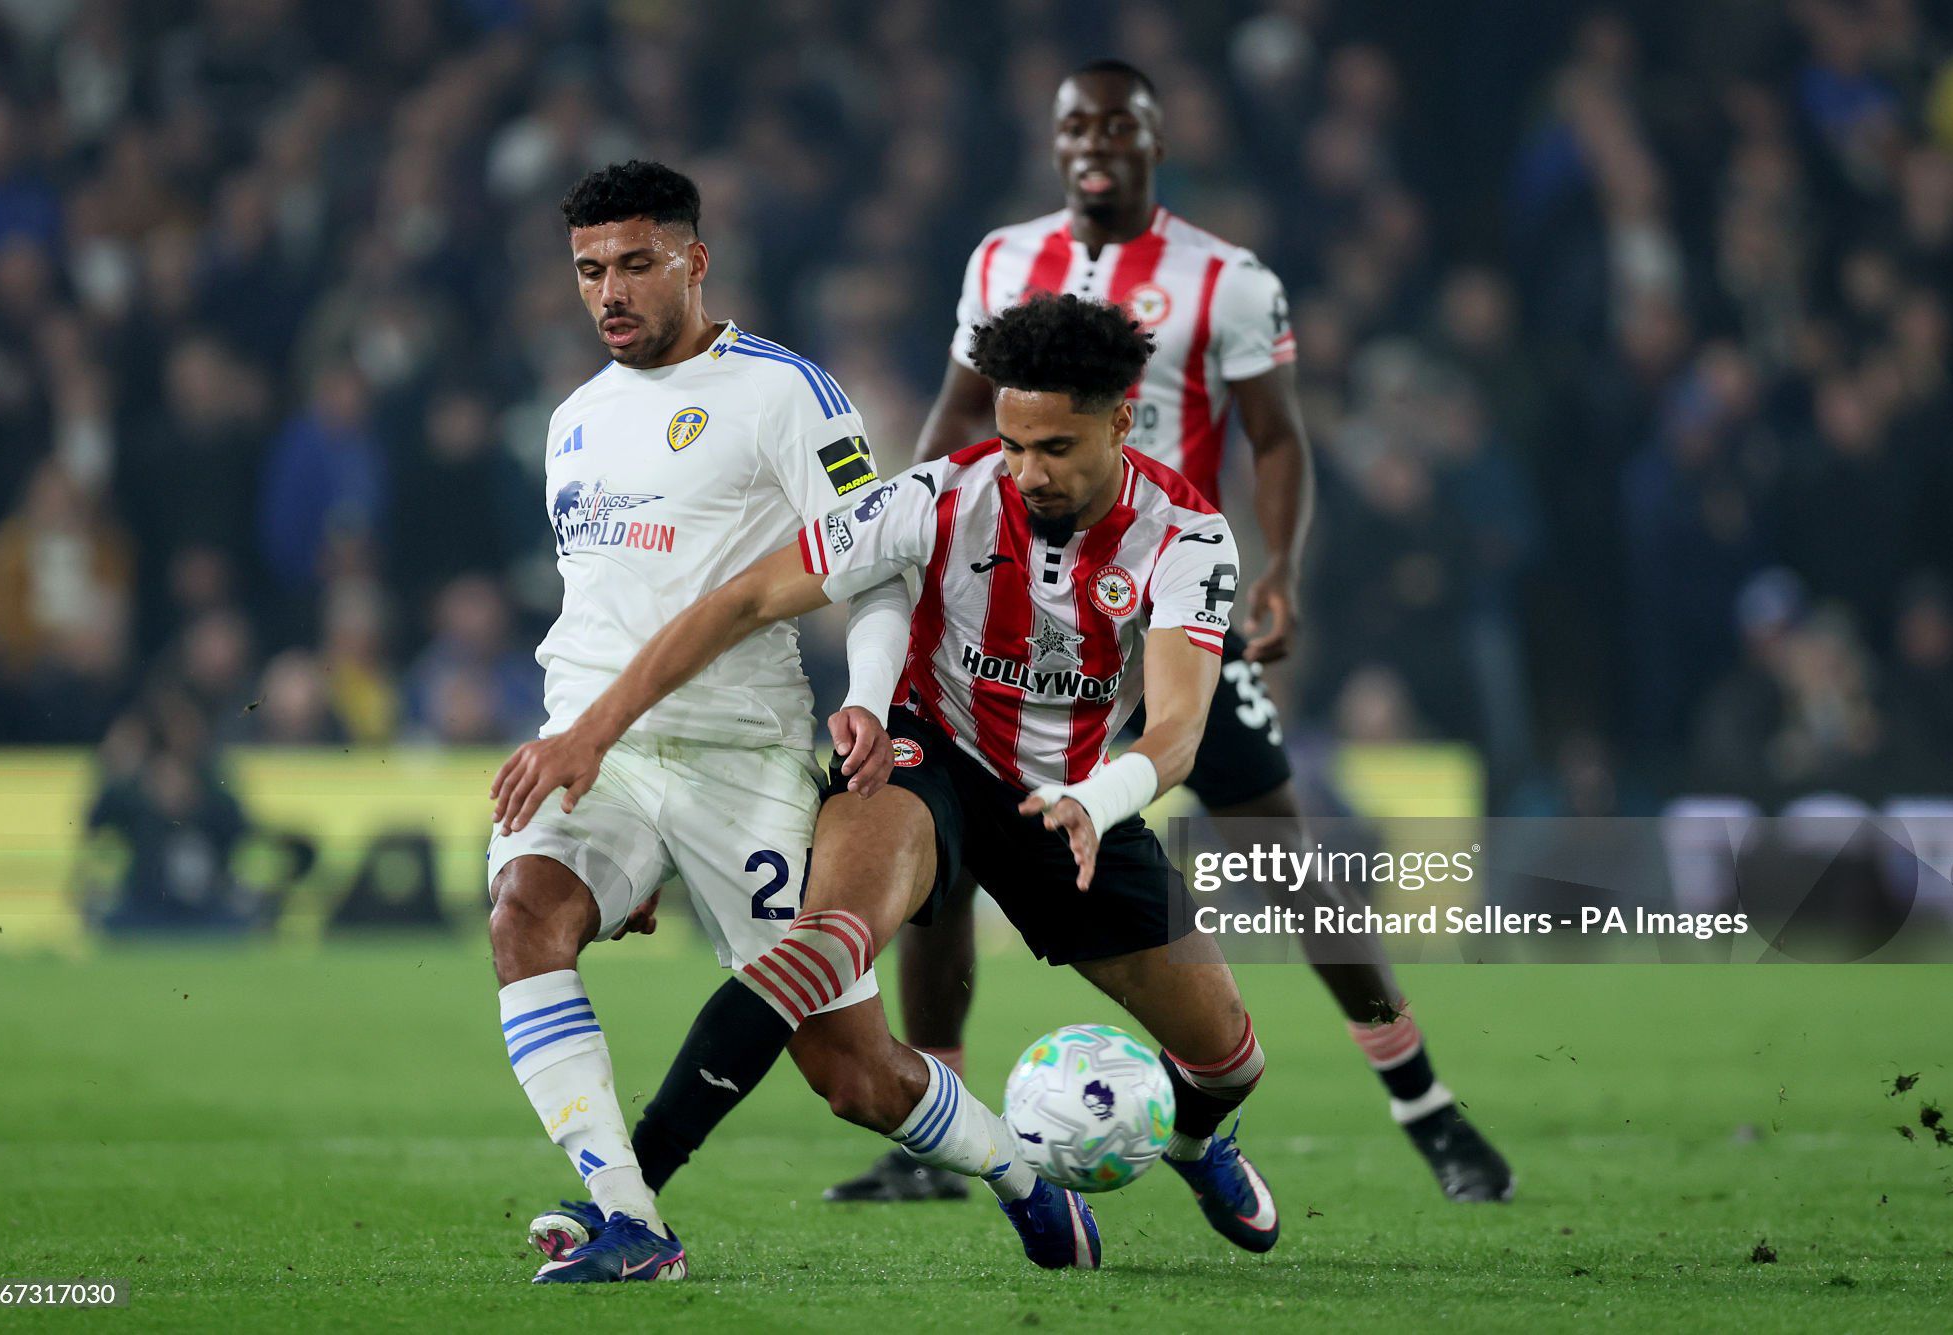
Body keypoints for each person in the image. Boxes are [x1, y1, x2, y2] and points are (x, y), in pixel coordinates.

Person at [833, 57, 1512, 1204]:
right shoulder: (1000, 259)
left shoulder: (1227, 280)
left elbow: (1277, 438)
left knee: (1283, 857)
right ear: (1053, 142)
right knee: (939, 865)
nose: (1092, 142)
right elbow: (958, 418)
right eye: (1072, 126)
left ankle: (1421, 1101)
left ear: (1156, 139)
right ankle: (935, 1138)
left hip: (1168, 612)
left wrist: (1282, 568)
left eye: (1116, 124)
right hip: (1018, 614)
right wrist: (915, 543)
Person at [494, 295, 1282, 1272]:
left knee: (1227, 1058)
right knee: (819, 948)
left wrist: (1099, 800)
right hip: (924, 760)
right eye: (1012, 442)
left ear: (1120, 421)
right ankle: (630, 1200)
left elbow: (1175, 729)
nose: (1026, 471)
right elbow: (743, 599)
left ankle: (1197, 1145)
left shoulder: (1185, 537)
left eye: (1054, 448)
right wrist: (596, 733)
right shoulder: (938, 495)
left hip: (1074, 797)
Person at [482, 160, 911, 1285]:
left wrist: (866, 692)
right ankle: (631, 1222)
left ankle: (1015, 1172)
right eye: (587, 271)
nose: (608, 291)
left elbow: (873, 575)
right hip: (596, 753)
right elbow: (600, 611)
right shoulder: (571, 422)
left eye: (633, 263)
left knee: (853, 1073)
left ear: (693, 259)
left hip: (741, 755)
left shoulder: (788, 395)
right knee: (524, 914)